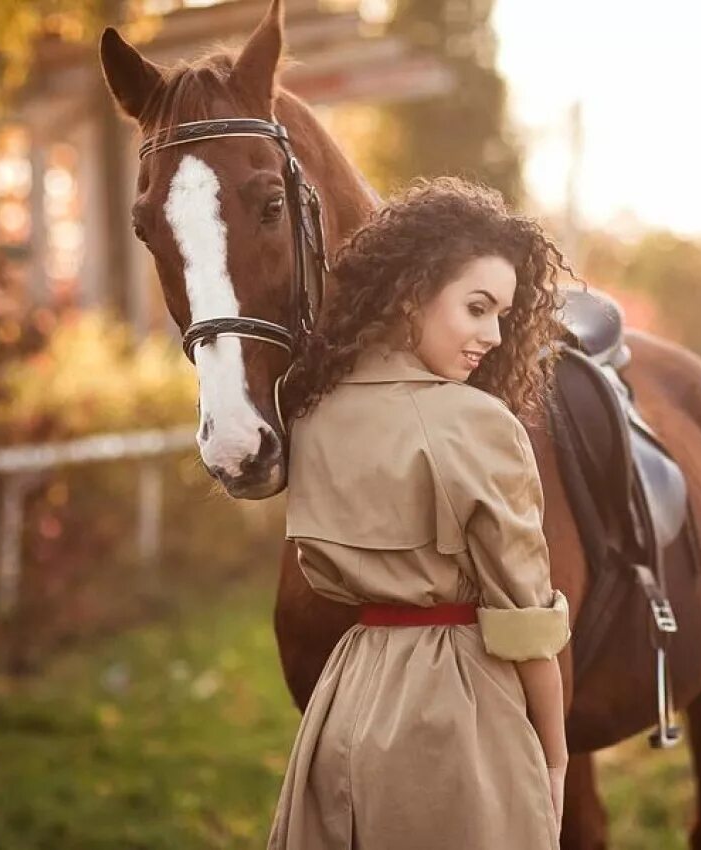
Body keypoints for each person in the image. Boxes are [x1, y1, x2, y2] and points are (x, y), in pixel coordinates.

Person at [270, 176, 574, 849]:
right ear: (413, 294)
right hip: (458, 710)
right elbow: (524, 624)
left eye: (501, 314)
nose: (493, 335)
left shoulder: (312, 415)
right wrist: (554, 755)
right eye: (476, 307)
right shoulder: (478, 425)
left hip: (346, 697)